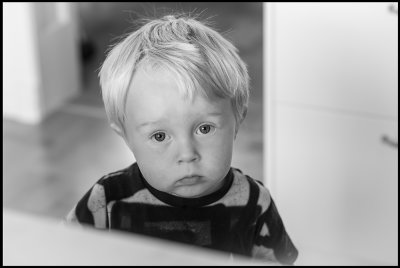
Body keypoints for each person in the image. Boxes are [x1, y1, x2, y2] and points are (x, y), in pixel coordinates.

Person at [65, 13, 298, 265]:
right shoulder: (106, 200)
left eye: (205, 129)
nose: (187, 154)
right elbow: (59, 252)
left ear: (238, 120)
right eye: (160, 135)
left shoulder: (254, 203)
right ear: (126, 137)